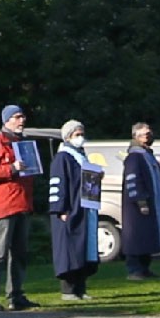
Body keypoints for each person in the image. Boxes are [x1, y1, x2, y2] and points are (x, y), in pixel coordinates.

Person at [0, 105, 39, 312]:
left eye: (23, 116)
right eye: (17, 117)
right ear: (6, 120)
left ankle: (16, 295)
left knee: (19, 253)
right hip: (4, 205)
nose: (22, 120)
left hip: (22, 204)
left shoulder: (24, 144)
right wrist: (11, 168)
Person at [47, 122, 105, 298]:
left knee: (83, 249)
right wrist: (60, 209)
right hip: (69, 210)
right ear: (68, 136)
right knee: (70, 249)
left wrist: (96, 177)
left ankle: (81, 288)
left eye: (82, 133)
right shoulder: (63, 157)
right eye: (77, 134)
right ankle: (68, 289)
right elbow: (58, 183)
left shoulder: (81, 156)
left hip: (85, 209)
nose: (80, 137)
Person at [118, 123, 160, 281]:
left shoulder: (148, 155)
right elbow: (133, 180)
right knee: (136, 238)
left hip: (150, 204)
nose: (148, 137)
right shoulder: (134, 157)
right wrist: (141, 201)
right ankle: (135, 270)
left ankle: (145, 268)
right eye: (145, 135)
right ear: (136, 137)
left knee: (147, 237)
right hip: (137, 206)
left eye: (149, 134)